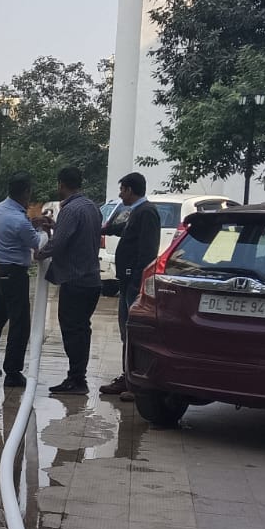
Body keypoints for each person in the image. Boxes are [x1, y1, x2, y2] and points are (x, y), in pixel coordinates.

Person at [36, 167, 103, 396]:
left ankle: (76, 379)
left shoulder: (70, 209)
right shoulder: (92, 207)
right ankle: (77, 376)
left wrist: (40, 253)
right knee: (82, 329)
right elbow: (79, 235)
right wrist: (56, 227)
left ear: (61, 184)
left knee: (72, 329)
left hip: (76, 280)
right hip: (92, 279)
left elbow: (60, 242)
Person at [0, 172, 43, 389]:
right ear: (26, 192)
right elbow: (37, 244)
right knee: (20, 323)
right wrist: (40, 228)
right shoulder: (19, 220)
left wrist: (33, 222)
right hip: (14, 274)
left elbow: (20, 231)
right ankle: (13, 372)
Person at [99, 172, 159, 402]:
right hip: (127, 283)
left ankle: (135, 381)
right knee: (126, 331)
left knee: (133, 332)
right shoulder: (137, 212)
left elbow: (147, 250)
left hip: (134, 283)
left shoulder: (147, 213)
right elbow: (122, 229)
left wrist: (136, 278)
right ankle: (128, 376)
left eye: (122, 190)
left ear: (131, 190)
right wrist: (102, 229)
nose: (120, 194)